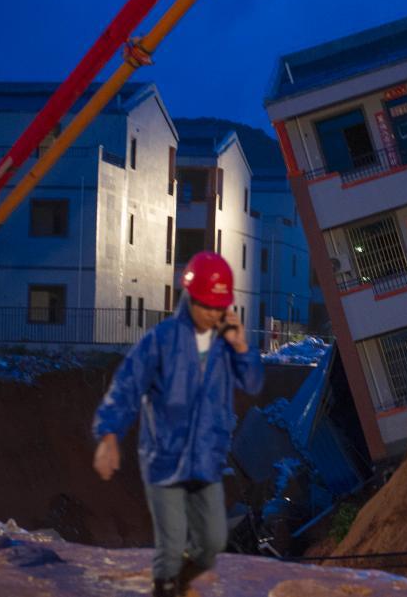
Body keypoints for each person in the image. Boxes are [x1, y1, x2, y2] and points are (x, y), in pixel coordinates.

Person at [92, 251, 264, 597]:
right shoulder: (161, 341)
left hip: (206, 460)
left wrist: (242, 346)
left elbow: (252, 383)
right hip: (165, 460)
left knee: (213, 542)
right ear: (191, 298)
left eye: (219, 307)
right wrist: (109, 436)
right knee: (170, 547)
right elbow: (126, 387)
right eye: (208, 306)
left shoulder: (225, 345)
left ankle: (180, 583)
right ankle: (167, 587)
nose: (214, 314)